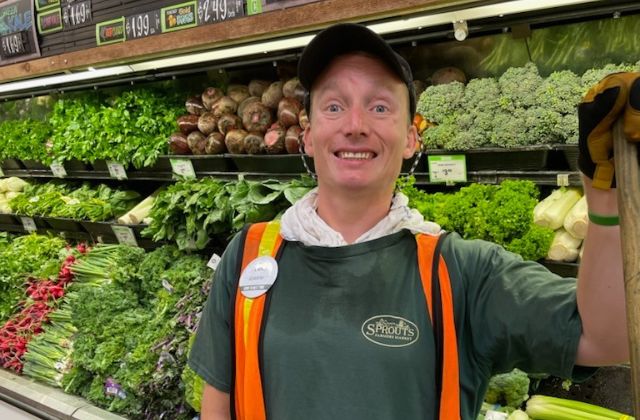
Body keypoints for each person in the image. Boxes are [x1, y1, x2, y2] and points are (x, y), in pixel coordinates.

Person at [189, 23, 638, 419]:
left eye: (380, 107)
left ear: (410, 138)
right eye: (334, 106)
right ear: (308, 136)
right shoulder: (249, 255)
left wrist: (604, 200)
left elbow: (607, 340)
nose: (356, 124)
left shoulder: (463, 271)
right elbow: (219, 403)